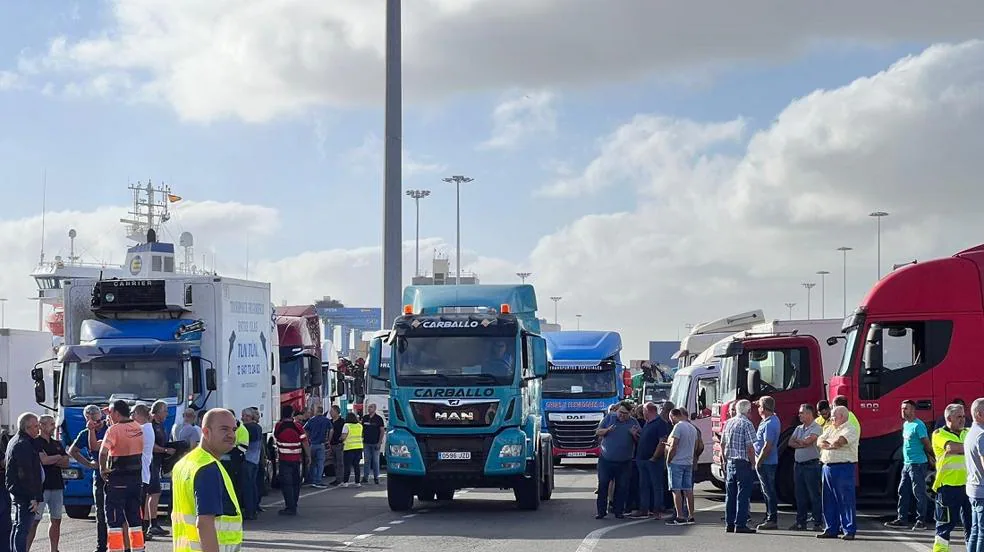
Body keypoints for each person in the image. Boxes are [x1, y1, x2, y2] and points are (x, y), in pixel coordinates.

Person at [170, 408, 244, 552]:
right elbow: (204, 523)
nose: (231, 435)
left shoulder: (184, 463)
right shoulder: (208, 468)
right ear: (206, 432)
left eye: (233, 429)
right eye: (224, 429)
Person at [100, 400, 147, 552]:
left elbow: (103, 452)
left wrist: (103, 469)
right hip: (135, 481)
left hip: (118, 481)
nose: (110, 416)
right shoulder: (138, 428)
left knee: (114, 520)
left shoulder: (114, 430)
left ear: (117, 413)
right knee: (134, 519)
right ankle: (138, 549)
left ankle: (116, 549)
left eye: (111, 413)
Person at [66, 404, 109, 552]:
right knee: (100, 511)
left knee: (116, 511)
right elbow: (73, 451)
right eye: (92, 421)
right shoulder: (85, 433)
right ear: (86, 419)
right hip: (98, 475)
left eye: (98, 420)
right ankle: (101, 545)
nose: (96, 424)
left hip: (113, 473)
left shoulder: (108, 428)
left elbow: (96, 446)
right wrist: (88, 464)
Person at [886, 399, 933, 530]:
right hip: (907, 464)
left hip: (918, 464)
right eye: (902, 408)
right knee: (903, 491)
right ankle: (902, 519)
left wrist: (931, 456)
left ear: (913, 410)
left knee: (918, 492)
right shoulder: (906, 424)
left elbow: (926, 444)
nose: (903, 411)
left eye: (906, 408)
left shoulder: (919, 425)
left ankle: (921, 521)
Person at [931, 403, 971, 552]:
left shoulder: (968, 431)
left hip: (968, 486)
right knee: (944, 526)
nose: (962, 420)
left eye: (963, 416)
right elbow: (952, 448)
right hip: (947, 487)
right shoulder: (939, 434)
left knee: (972, 525)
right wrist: (971, 446)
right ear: (949, 418)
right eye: (958, 417)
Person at [817, 405, 860, 540]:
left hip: (843, 467)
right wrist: (829, 444)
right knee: (828, 499)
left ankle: (849, 529)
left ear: (842, 416)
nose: (831, 418)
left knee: (845, 499)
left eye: (834, 416)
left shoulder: (850, 429)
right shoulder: (830, 428)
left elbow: (839, 442)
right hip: (827, 467)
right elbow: (819, 441)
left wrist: (829, 444)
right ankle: (831, 528)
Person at [27, 415, 69, 552]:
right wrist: (57, 458)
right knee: (34, 521)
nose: (54, 426)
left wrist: (53, 458)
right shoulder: (35, 442)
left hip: (57, 485)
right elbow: (43, 461)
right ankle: (25, 549)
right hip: (42, 488)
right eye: (51, 424)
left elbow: (66, 462)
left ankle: (54, 549)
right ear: (42, 426)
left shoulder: (57, 443)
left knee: (56, 519)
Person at [593, 400, 640, 519]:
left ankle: (619, 511)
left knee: (622, 487)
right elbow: (598, 432)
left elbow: (640, 440)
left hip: (624, 461)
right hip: (606, 460)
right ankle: (601, 511)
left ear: (630, 414)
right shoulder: (609, 418)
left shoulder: (633, 422)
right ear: (617, 410)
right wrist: (607, 430)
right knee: (603, 485)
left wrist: (634, 434)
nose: (621, 415)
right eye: (620, 412)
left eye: (625, 413)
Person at [5, 412, 43, 552]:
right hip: (24, 493)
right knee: (23, 528)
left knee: (17, 526)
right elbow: (25, 473)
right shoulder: (22, 444)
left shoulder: (19, 441)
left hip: (19, 490)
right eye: (35, 426)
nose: (38, 429)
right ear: (27, 427)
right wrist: (33, 496)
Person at [721, 398, 756, 534]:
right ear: (748, 410)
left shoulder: (729, 422)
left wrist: (724, 460)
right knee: (743, 494)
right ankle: (740, 524)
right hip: (743, 462)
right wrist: (753, 463)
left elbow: (723, 443)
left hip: (730, 461)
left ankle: (729, 523)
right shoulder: (747, 424)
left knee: (730, 494)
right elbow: (750, 447)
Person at [630, 402, 670, 519]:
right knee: (644, 485)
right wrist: (635, 435)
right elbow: (643, 440)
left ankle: (657, 510)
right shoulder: (648, 424)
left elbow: (662, 441)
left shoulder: (660, 423)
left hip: (653, 461)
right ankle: (644, 509)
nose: (642, 413)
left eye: (644, 411)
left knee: (656, 486)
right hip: (642, 459)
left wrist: (655, 457)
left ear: (648, 411)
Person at [787, 403, 823, 531]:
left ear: (809, 413)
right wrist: (801, 444)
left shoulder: (817, 428)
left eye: (802, 413)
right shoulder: (798, 428)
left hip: (811, 465)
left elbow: (808, 441)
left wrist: (801, 442)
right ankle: (800, 522)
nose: (799, 415)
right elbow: (790, 442)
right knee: (800, 495)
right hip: (799, 466)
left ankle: (817, 522)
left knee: (814, 495)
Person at [665, 407, 700, 526]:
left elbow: (674, 445)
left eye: (671, 418)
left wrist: (668, 459)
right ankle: (691, 515)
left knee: (676, 489)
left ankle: (679, 516)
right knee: (688, 489)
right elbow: (695, 446)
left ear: (674, 416)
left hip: (677, 461)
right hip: (688, 461)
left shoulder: (678, 426)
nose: (671, 421)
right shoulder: (692, 428)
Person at [273, 405, 309, 515]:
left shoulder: (279, 426)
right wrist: (308, 456)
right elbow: (304, 442)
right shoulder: (297, 426)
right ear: (292, 414)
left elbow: (276, 437)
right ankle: (294, 504)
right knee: (295, 483)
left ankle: (290, 506)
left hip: (284, 459)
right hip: (296, 459)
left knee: (286, 484)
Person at [146, 400, 174, 538]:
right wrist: (165, 450)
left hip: (156, 463)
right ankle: (149, 524)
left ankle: (153, 523)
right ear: (157, 412)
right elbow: (149, 444)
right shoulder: (150, 425)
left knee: (155, 493)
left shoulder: (160, 425)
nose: (167, 414)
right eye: (165, 411)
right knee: (151, 493)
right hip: (150, 462)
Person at [754, 396, 781, 530]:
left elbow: (768, 445)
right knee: (766, 490)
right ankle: (768, 515)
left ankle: (772, 519)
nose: (758, 409)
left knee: (769, 490)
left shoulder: (770, 423)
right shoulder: (769, 420)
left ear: (764, 409)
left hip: (766, 462)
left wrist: (758, 461)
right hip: (766, 462)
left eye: (759, 406)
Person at [964, 397, 984, 551]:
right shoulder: (981, 435)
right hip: (982, 488)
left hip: (973, 487)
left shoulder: (971, 432)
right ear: (979, 414)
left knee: (975, 530)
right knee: (982, 533)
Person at [240, 408, 263, 520]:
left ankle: (249, 511)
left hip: (248, 460)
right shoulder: (258, 427)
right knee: (253, 485)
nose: (243, 418)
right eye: (243, 415)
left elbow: (243, 445)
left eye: (245, 416)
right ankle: (254, 509)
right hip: (255, 460)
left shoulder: (246, 428)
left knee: (247, 487)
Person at [303, 406, 330, 488]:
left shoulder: (311, 420)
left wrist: (307, 437)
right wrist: (328, 439)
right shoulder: (326, 420)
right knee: (320, 463)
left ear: (316, 411)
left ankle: (312, 480)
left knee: (312, 463)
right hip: (321, 444)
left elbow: (304, 429)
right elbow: (331, 429)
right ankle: (318, 480)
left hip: (312, 444)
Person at [361, 403, 385, 485]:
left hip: (375, 443)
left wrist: (379, 442)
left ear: (375, 408)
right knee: (367, 461)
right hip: (366, 443)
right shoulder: (365, 418)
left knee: (375, 461)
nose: (369, 409)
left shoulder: (379, 419)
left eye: (371, 407)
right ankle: (365, 477)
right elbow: (362, 429)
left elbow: (382, 431)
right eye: (368, 407)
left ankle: (376, 477)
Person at [341, 412, 364, 487]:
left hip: (349, 448)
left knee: (347, 466)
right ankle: (357, 482)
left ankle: (345, 482)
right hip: (359, 447)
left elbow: (343, 437)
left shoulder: (346, 425)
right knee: (356, 466)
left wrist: (340, 439)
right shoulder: (360, 426)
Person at [327, 405, 345, 486]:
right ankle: (337, 478)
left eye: (332, 411)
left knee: (340, 463)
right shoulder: (330, 422)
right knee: (334, 463)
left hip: (339, 444)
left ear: (337, 412)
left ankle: (341, 479)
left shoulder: (342, 422)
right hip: (331, 445)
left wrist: (342, 441)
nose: (330, 413)